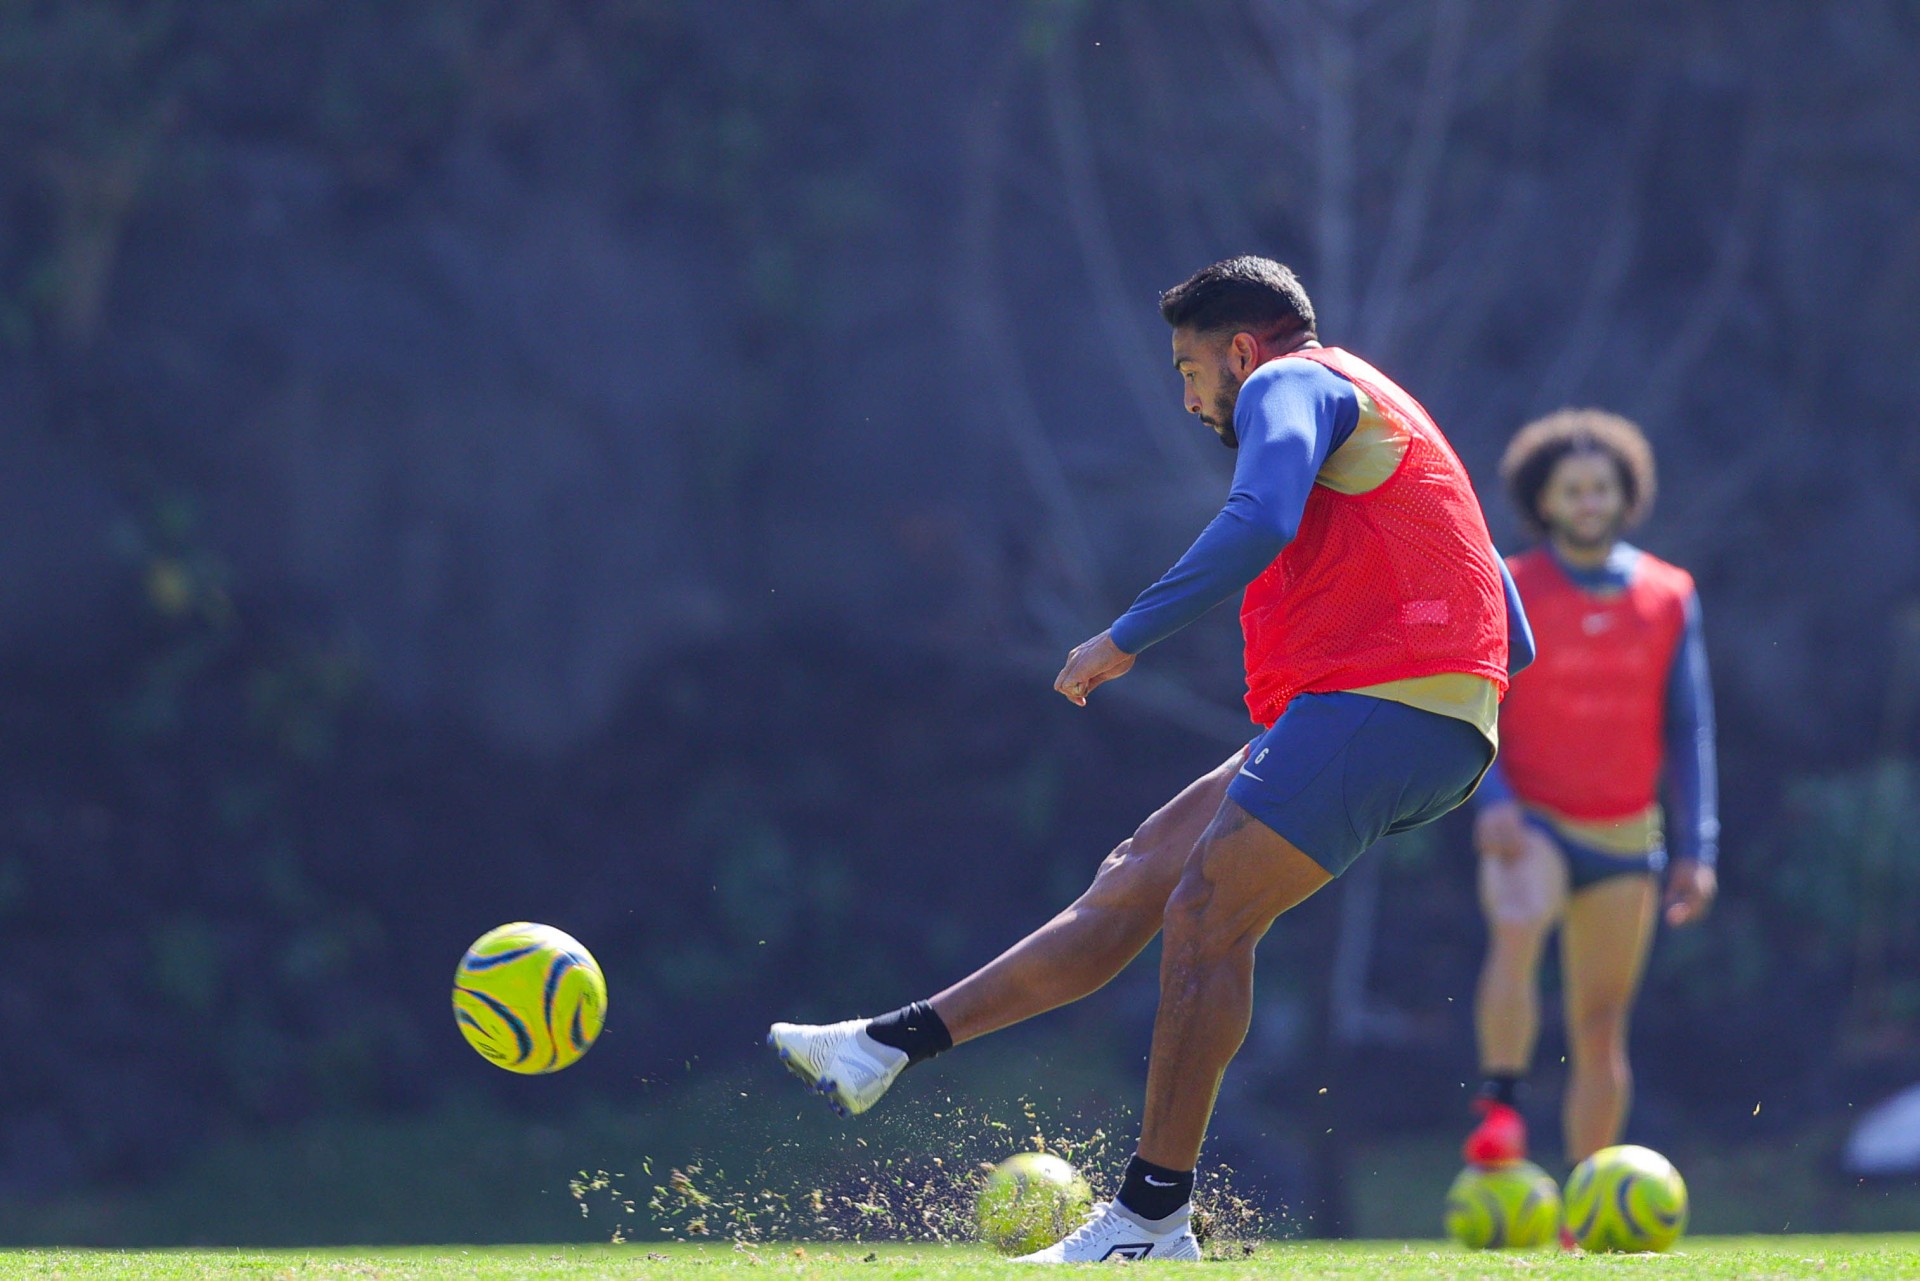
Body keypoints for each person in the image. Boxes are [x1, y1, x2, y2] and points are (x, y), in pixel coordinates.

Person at [770, 255, 1534, 1262]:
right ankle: (883, 1047)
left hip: (1385, 706)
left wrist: (1124, 636)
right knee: (1138, 877)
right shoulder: (1379, 398)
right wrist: (1453, 708)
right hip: (1391, 711)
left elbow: (1260, 517)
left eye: (1189, 370)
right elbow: (1510, 623)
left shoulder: (1289, 382)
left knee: (1206, 914)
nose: (1188, 397)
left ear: (1242, 351)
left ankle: (1147, 1219)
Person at [1462, 409, 1718, 1175]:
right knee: (1520, 920)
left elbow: (1690, 727)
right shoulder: (1509, 584)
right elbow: (1474, 700)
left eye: (1600, 488)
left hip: (1626, 835)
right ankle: (1501, 1107)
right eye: (1571, 489)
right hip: (1532, 820)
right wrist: (1493, 801)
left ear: (1625, 495)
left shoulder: (1670, 593)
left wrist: (1698, 849)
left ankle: (1587, 1196)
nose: (1587, 502)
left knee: (1602, 1025)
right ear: (1543, 499)